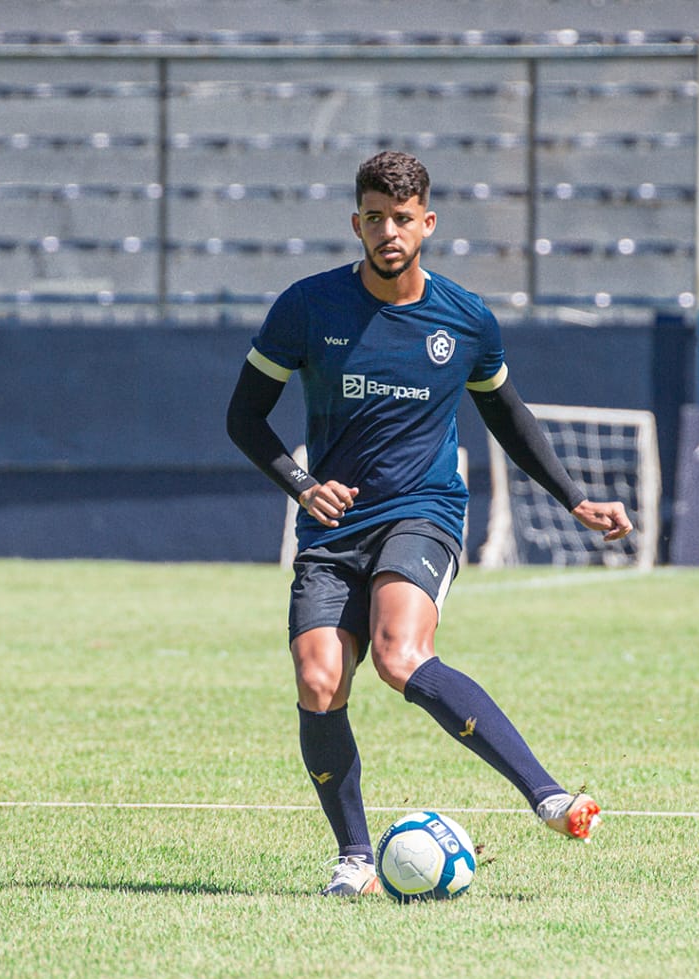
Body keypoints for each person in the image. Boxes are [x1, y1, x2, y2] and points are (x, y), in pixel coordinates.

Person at [226, 151, 633, 896]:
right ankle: (355, 860)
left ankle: (547, 796)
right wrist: (301, 484)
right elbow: (243, 417)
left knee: (398, 655)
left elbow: (508, 416)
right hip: (332, 524)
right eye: (375, 218)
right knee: (319, 681)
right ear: (357, 223)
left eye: (403, 218)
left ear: (428, 223)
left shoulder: (466, 320)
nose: (389, 231)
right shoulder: (307, 307)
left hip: (423, 510)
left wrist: (573, 496)